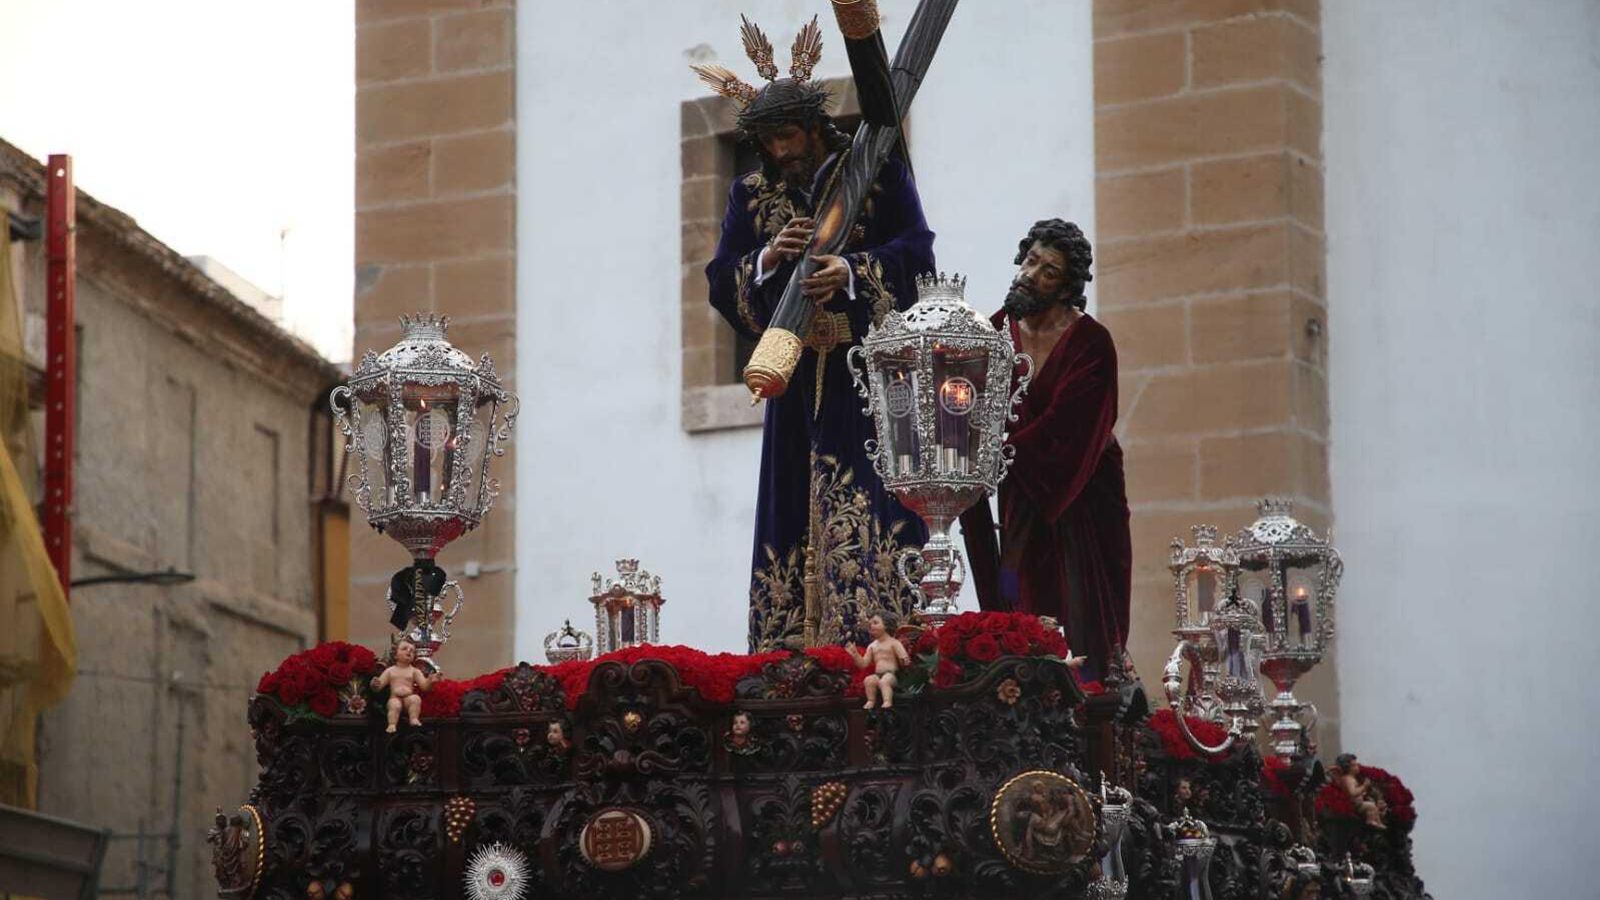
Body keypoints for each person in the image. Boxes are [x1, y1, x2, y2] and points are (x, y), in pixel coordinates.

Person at [695, 16, 936, 652]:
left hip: (866, 383)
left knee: (866, 503)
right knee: (789, 509)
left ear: (815, 125)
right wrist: (770, 258)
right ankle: (786, 656)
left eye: (791, 135)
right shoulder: (749, 195)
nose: (782, 151)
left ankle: (875, 644)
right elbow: (722, 279)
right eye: (769, 140)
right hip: (795, 379)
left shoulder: (873, 169)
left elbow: (918, 255)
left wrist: (852, 272)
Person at [959, 218, 1132, 680]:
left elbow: (1071, 430)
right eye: (1031, 261)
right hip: (1016, 495)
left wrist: (996, 453)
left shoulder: (1092, 343)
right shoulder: (995, 332)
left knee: (1081, 606)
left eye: (1049, 271)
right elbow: (967, 403)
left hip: (1083, 497)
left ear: (1066, 286)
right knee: (1015, 590)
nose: (1032, 275)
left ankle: (1089, 691)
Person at [845, 612, 910, 709]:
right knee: (868, 680)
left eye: (875, 623)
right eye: (870, 624)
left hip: (891, 674)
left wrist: (904, 660)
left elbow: (903, 657)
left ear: (886, 626)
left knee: (884, 681)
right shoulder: (872, 646)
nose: (871, 626)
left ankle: (887, 701)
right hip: (878, 674)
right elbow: (863, 664)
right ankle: (871, 700)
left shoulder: (894, 643)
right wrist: (855, 655)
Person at [370, 637, 432, 733]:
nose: (409, 651)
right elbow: (378, 687)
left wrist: (431, 680)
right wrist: (375, 684)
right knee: (395, 705)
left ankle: (414, 718)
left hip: (408, 699)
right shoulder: (390, 671)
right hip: (394, 698)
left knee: (416, 699)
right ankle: (392, 724)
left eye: (412, 650)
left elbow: (424, 687)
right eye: (404, 649)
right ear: (395, 654)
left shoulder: (414, 671)